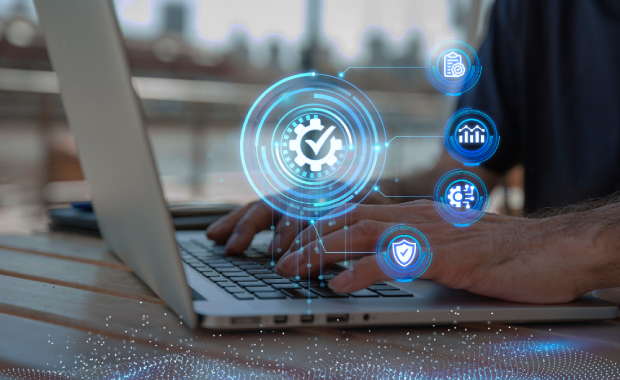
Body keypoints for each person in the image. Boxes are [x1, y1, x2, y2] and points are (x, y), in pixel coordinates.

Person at [207, 0, 620, 303]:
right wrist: (372, 204)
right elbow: (459, 174)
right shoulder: (529, 12)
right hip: (557, 319)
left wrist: (565, 245)